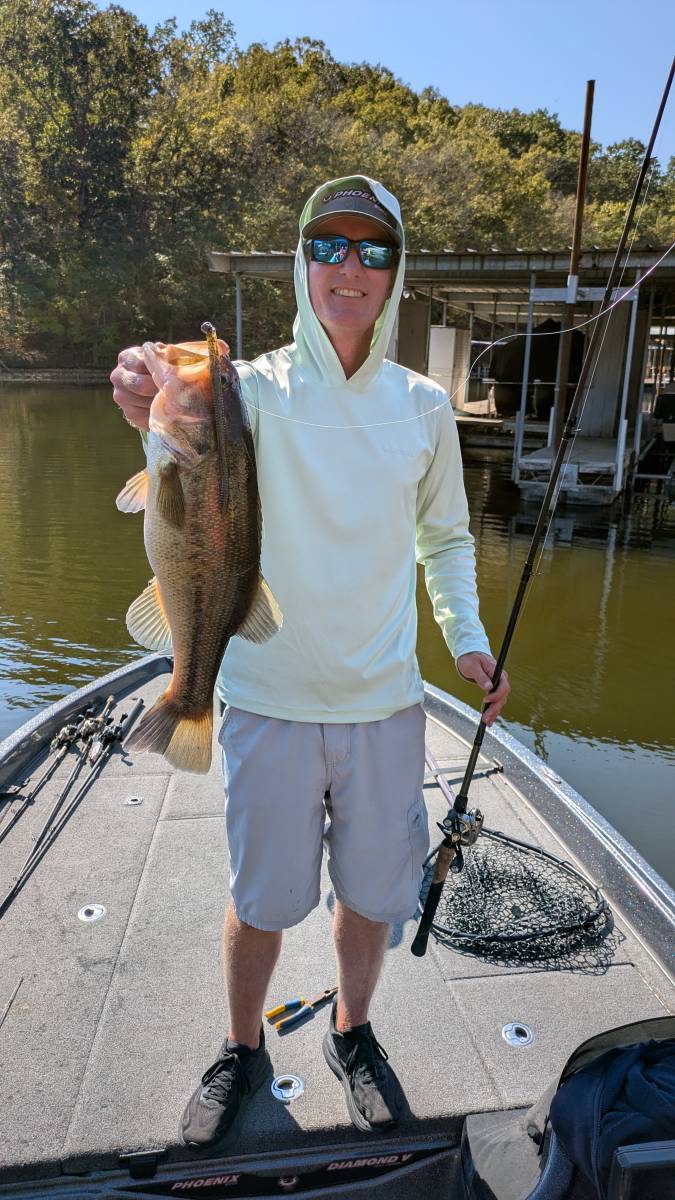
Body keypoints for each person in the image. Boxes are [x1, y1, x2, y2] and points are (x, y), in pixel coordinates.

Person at [110, 174, 511, 1152]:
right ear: (301, 261)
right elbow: (172, 427)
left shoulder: (424, 407)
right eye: (328, 243)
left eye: (373, 248)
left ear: (396, 272)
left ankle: (351, 1030)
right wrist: (140, 390)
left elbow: (445, 538)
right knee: (261, 901)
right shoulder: (249, 390)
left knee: (372, 900)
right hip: (264, 702)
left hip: (384, 707)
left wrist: (465, 636)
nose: (349, 265)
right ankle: (241, 1047)